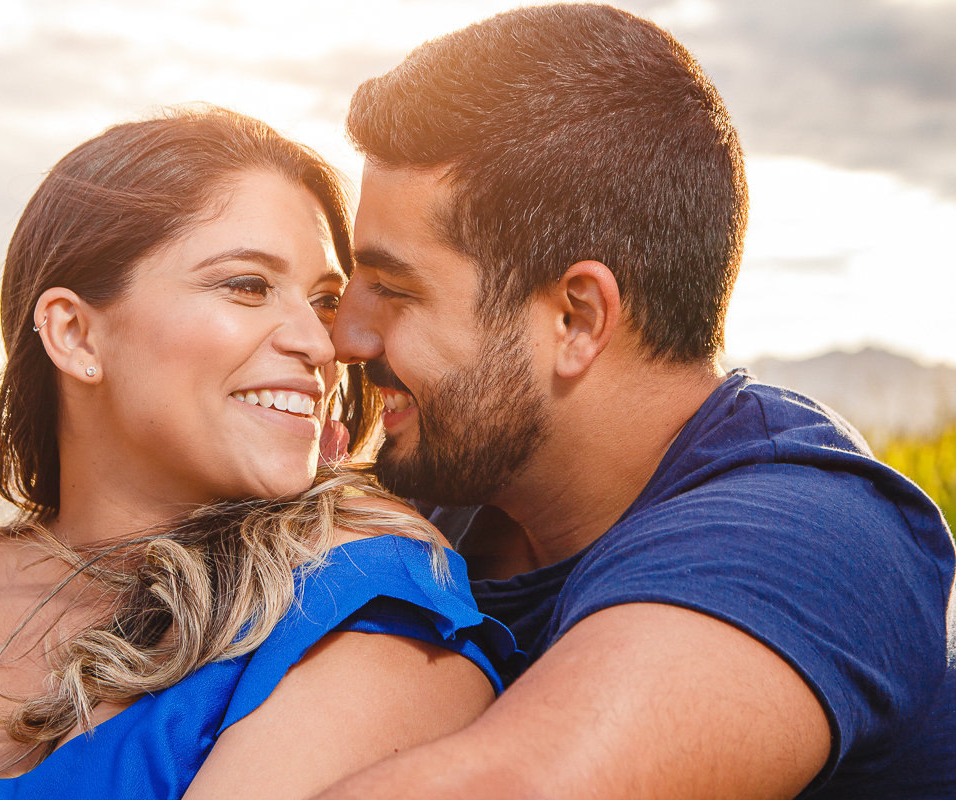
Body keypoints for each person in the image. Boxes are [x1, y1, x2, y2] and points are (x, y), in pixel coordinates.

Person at [0, 107, 515, 800]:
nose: (321, 344)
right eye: (248, 286)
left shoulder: (368, 600)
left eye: (322, 298)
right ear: (76, 335)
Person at [315, 5, 956, 799]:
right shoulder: (454, 505)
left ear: (577, 318)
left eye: (395, 290)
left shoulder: (812, 539)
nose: (344, 337)